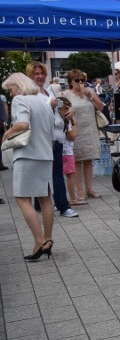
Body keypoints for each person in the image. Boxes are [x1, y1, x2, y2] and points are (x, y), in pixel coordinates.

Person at [1, 73, 56, 260]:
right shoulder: (43, 101)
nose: (10, 94)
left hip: (27, 155)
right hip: (46, 154)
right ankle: (48, 240)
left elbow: (23, 124)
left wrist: (6, 133)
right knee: (45, 198)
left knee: (22, 199)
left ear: (18, 86)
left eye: (10, 89)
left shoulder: (20, 100)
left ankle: (38, 241)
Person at [26, 62, 78, 218]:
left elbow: (61, 107)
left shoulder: (48, 91)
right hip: (42, 138)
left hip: (56, 138)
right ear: (30, 76)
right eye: (36, 74)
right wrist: (50, 105)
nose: (40, 76)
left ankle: (40, 203)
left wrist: (69, 110)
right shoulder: (29, 94)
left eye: (42, 73)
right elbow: (35, 114)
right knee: (52, 173)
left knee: (53, 172)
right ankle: (63, 206)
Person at [65, 69, 105, 199]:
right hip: (76, 131)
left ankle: (90, 189)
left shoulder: (90, 92)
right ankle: (80, 191)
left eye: (83, 80)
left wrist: (91, 96)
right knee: (77, 161)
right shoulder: (66, 94)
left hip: (90, 130)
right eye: (77, 80)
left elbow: (101, 107)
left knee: (89, 160)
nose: (80, 83)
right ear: (71, 82)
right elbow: (63, 113)